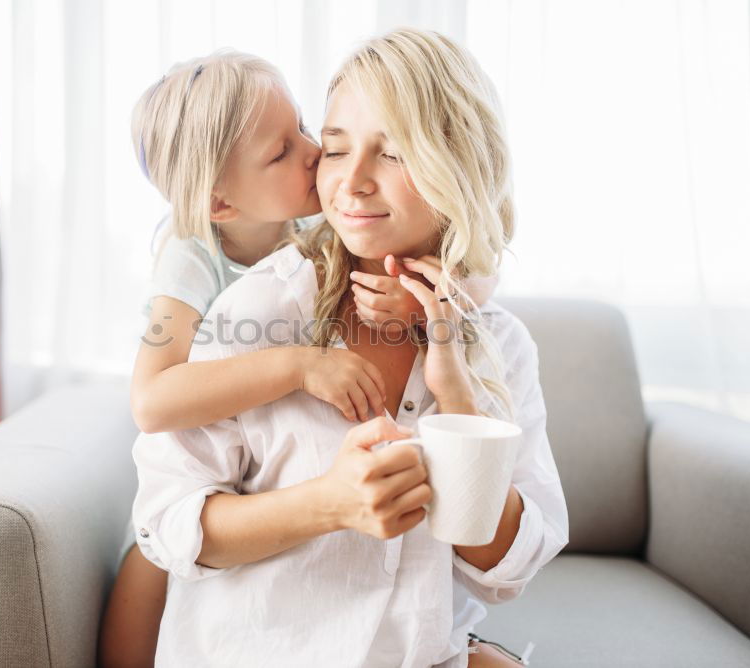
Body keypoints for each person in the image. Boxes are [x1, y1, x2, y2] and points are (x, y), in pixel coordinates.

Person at [130, 28, 568, 667]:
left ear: (461, 164)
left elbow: (504, 572)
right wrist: (327, 503)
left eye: (392, 154)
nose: (350, 180)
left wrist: (457, 398)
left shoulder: (495, 339)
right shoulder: (254, 308)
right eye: (335, 150)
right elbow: (168, 526)